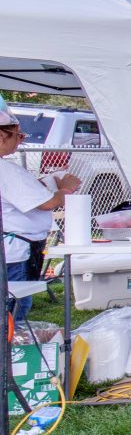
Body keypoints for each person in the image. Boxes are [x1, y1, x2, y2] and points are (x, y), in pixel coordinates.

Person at [1, 109, 82, 323]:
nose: (20, 141)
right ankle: (10, 353)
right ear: (2, 136)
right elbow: (48, 203)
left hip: (11, 249)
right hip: (15, 253)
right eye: (19, 136)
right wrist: (67, 188)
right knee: (15, 309)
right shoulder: (6, 170)